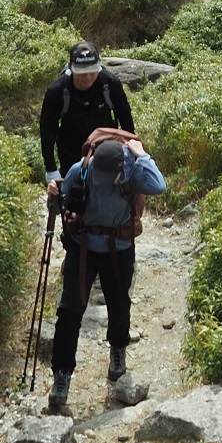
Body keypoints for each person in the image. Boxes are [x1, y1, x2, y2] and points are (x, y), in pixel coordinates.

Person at [47, 131, 165, 413]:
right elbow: (62, 199)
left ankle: (118, 349)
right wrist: (54, 192)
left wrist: (140, 154)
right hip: (83, 246)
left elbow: (159, 186)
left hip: (118, 247)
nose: (99, 179)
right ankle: (61, 376)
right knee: (69, 311)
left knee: (119, 303)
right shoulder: (82, 169)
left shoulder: (132, 170)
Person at [39, 41, 135, 194]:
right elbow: (47, 130)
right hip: (70, 155)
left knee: (107, 198)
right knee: (74, 203)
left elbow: (125, 119)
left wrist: (132, 153)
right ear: (71, 67)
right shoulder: (57, 91)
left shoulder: (109, 84)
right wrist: (51, 169)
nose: (88, 77)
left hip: (107, 152)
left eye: (92, 70)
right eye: (82, 71)